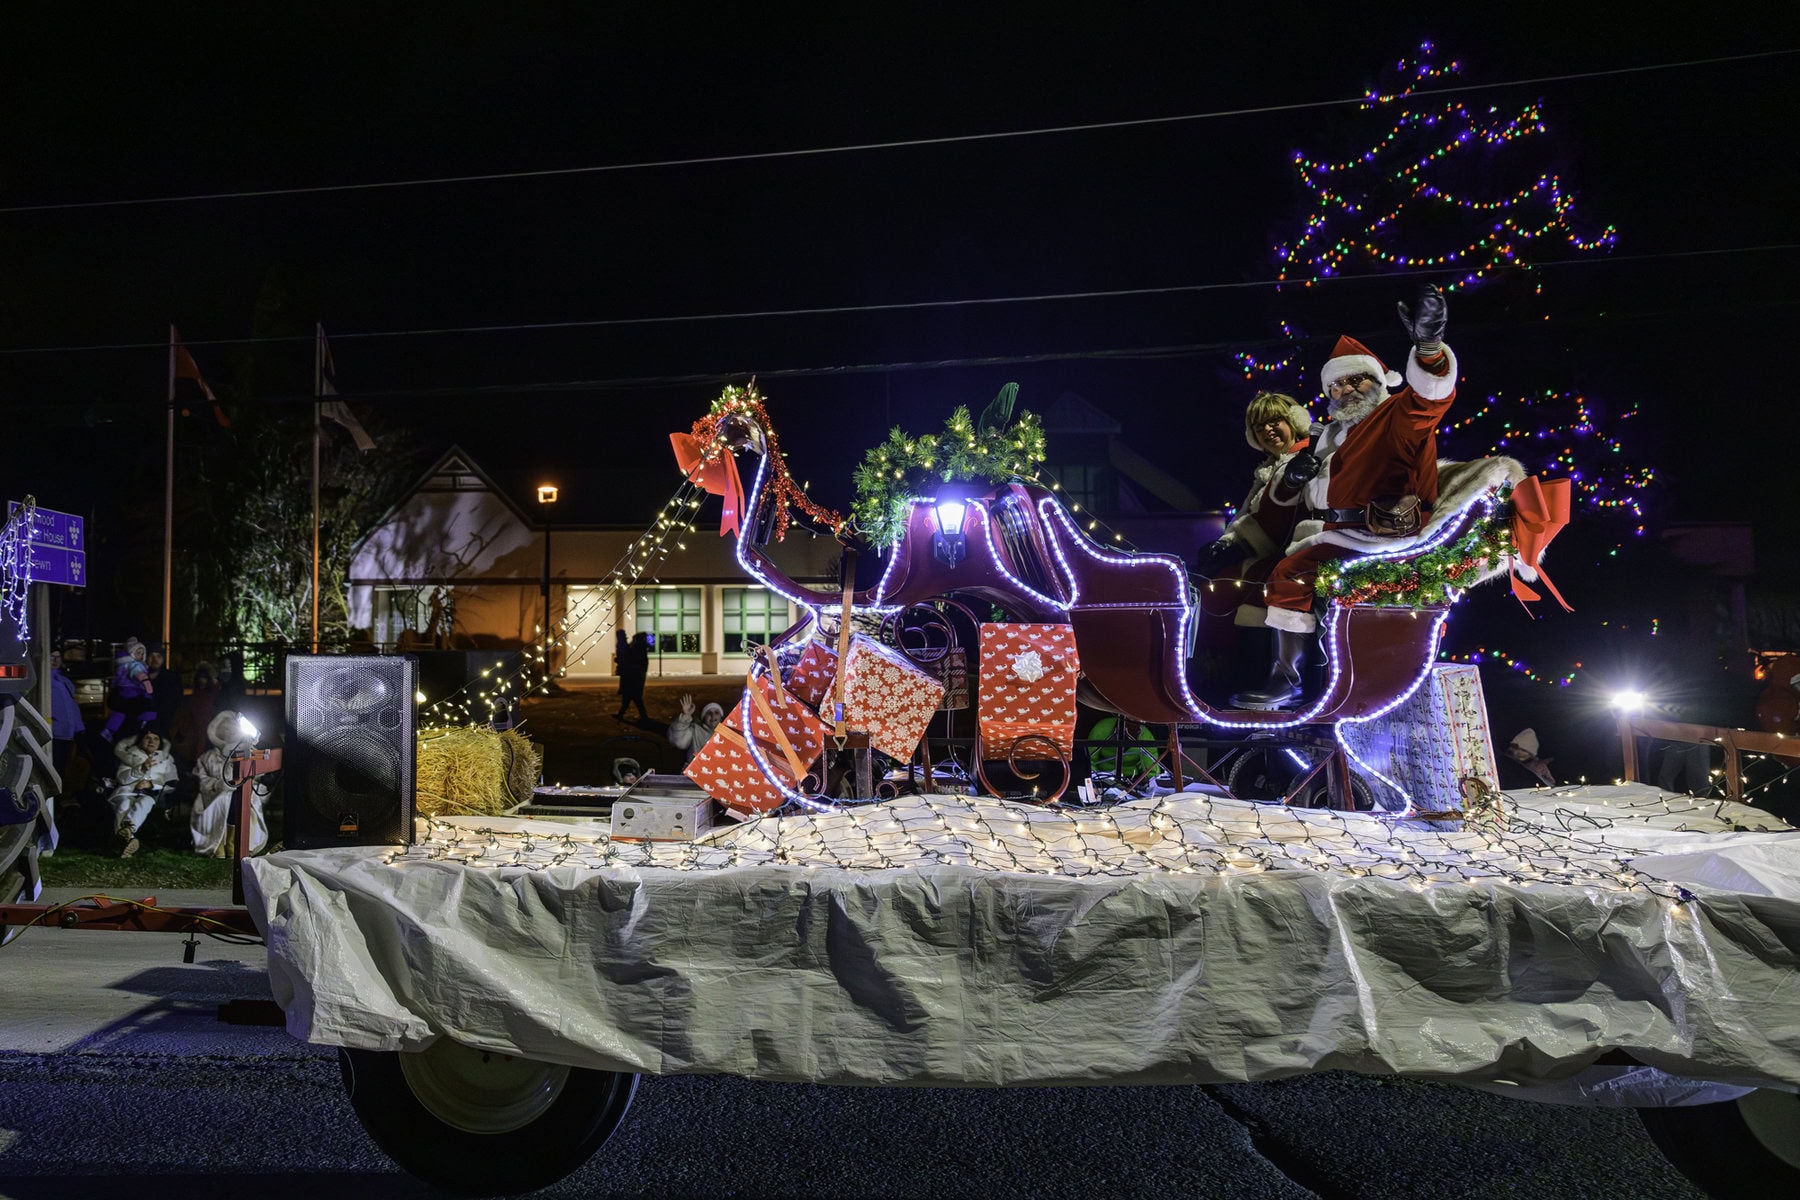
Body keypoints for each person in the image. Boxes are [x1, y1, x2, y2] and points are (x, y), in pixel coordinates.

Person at [1232, 283, 1456, 709]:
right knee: (1260, 572)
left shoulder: (1393, 415)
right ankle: (1290, 670)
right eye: (1338, 385)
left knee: (1292, 571)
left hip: (1377, 534)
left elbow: (1429, 400)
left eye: (1358, 380)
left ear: (1378, 382)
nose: (1348, 389)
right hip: (1339, 529)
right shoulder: (1333, 434)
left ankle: (1287, 679)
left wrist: (1428, 347)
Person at [1195, 391, 1315, 620]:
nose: (1267, 431)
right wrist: (1225, 544)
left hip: (1285, 559)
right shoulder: (1266, 471)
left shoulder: (1305, 459)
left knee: (1217, 594)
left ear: (1293, 421)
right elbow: (1247, 513)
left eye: (1274, 422)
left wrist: (1239, 547)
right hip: (1257, 554)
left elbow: (1280, 513)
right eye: (1260, 428)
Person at [191, 708, 269, 857]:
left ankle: (233, 842)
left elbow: (259, 773)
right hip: (213, 796)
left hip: (243, 793)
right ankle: (219, 843)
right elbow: (201, 778)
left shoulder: (248, 751)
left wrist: (248, 753)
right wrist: (219, 785)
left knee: (236, 797)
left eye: (233, 728)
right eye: (226, 729)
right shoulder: (209, 756)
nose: (230, 732)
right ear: (220, 732)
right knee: (223, 800)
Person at [106, 728, 179, 857]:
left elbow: (172, 783)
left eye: (155, 738)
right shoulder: (131, 755)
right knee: (123, 805)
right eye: (147, 738)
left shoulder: (166, 759)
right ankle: (127, 839)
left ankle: (124, 837)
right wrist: (140, 770)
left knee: (144, 803)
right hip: (126, 791)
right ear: (140, 741)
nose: (151, 741)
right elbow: (122, 778)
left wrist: (152, 784)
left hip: (150, 794)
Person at [98, 637, 156, 743]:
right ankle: (145, 722)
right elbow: (137, 673)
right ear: (132, 653)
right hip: (133, 690)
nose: (141, 655)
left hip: (122, 690)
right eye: (138, 653)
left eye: (143, 653)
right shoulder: (135, 665)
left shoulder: (123, 665)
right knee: (149, 706)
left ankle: (109, 730)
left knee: (119, 713)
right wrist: (145, 680)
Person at [169, 660, 221, 772]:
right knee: (198, 755)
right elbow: (188, 715)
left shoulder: (212, 694)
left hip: (212, 729)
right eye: (200, 678)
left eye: (204, 678)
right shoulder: (195, 697)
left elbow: (215, 685)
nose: (202, 681)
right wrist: (182, 732)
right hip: (197, 732)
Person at [48, 649, 83, 779]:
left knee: (62, 769)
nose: (56, 660)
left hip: (67, 733)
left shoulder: (63, 680)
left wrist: (79, 728)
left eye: (58, 657)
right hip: (56, 733)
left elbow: (71, 707)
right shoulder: (46, 680)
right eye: (52, 657)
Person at [667, 693, 725, 765]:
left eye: (716, 712)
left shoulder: (728, 734)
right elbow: (679, 741)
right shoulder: (695, 730)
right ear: (704, 717)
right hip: (696, 772)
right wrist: (685, 716)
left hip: (720, 773)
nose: (713, 716)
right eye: (708, 713)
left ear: (721, 717)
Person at [616, 631, 650, 721]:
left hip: (633, 677)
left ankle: (643, 717)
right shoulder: (640, 649)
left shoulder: (637, 649)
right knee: (632, 697)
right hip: (635, 677)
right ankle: (621, 714)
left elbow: (631, 661)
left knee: (633, 697)